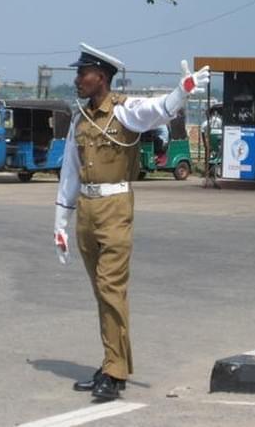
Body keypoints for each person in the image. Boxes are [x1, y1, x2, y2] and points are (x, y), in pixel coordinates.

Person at [53, 43, 209, 401]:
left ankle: (114, 371)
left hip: (115, 207)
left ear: (102, 78)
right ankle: (113, 365)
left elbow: (157, 111)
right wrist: (60, 221)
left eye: (83, 73)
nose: (77, 79)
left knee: (111, 289)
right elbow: (69, 172)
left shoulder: (125, 111)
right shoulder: (81, 119)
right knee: (103, 293)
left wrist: (181, 92)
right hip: (87, 209)